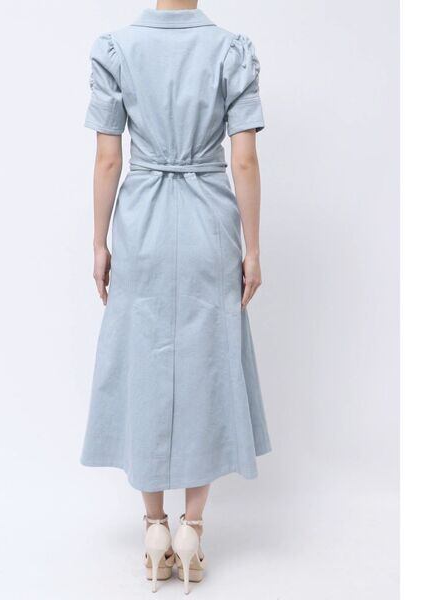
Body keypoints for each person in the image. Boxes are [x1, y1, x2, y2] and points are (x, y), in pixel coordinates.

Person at [81, 1, 271, 593]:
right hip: (210, 220)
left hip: (141, 222)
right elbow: (244, 159)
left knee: (142, 364)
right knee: (205, 365)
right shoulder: (230, 49)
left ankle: (153, 526)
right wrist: (253, 248)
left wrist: (99, 242)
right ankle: (192, 528)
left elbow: (108, 158)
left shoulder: (116, 48)